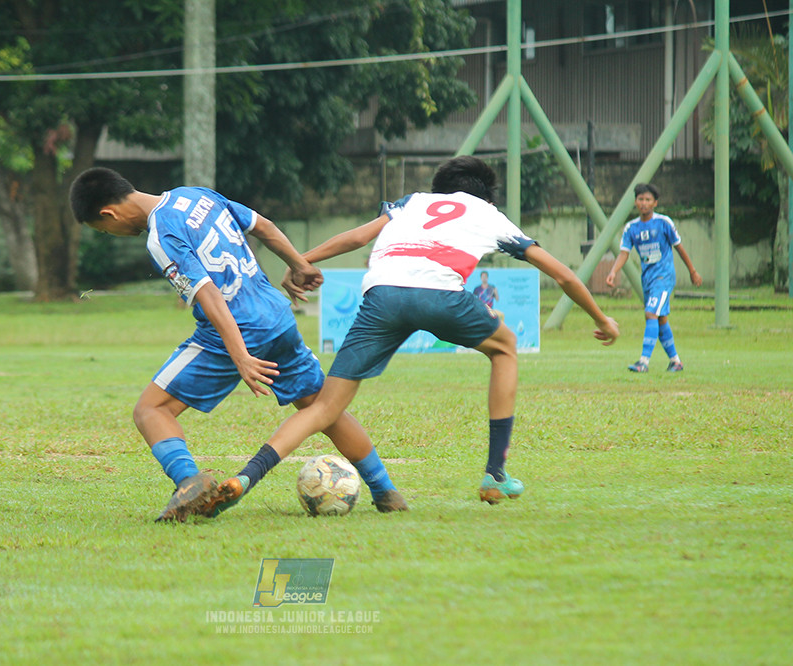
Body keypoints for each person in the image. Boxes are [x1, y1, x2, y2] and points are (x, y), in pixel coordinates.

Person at [169, 155, 619, 517]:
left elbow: (355, 238)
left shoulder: (413, 202)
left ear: (441, 188)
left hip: (381, 295)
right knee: (505, 347)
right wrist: (601, 317)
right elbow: (561, 274)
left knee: (326, 405)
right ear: (484, 194)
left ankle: (246, 477)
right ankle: (495, 474)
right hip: (441, 294)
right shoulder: (490, 214)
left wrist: (301, 261)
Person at [67, 167, 407, 522]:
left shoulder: (160, 235)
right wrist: (299, 265)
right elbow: (264, 227)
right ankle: (385, 490)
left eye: (105, 230)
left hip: (235, 330)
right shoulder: (196, 196)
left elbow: (210, 296)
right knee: (321, 405)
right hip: (276, 316)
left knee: (151, 410)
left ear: (109, 213)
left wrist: (241, 356)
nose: (114, 234)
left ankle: (188, 482)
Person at [605, 183, 701, 373]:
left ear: (655, 203)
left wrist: (692, 271)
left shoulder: (664, 223)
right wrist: (613, 271)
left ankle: (643, 362)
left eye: (648, 199)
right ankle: (675, 361)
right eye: (640, 199)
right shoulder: (631, 228)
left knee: (651, 314)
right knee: (660, 318)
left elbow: (679, 247)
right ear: (635, 202)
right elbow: (624, 252)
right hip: (647, 279)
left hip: (663, 277)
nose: (644, 203)